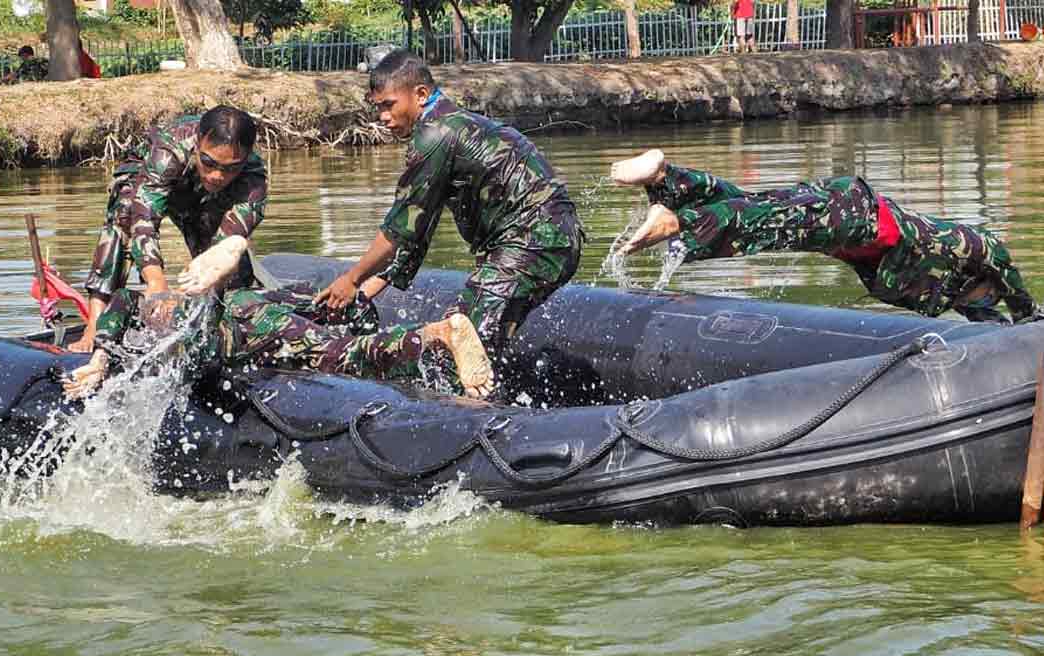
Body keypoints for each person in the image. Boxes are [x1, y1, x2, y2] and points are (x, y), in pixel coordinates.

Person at [314, 49, 584, 361]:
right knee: (482, 343)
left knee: (458, 343)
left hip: (531, 242)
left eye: (389, 105)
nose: (383, 117)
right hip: (553, 240)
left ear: (420, 94)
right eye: (378, 108)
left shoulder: (433, 136)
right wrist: (367, 289)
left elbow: (399, 228)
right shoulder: (453, 124)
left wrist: (350, 279)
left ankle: (471, 406)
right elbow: (417, 230)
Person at [610, 149, 1038, 324]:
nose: (982, 306)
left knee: (759, 209)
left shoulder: (951, 297)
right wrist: (1024, 312)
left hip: (841, 228)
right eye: (987, 299)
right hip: (860, 215)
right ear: (982, 282)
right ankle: (678, 224)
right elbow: (1013, 289)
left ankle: (667, 180)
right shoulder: (972, 250)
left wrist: (992, 318)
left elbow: (996, 338)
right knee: (768, 219)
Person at [63, 236, 494, 400]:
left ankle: (436, 333)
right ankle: (410, 344)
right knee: (336, 327)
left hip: (241, 327)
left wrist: (98, 360)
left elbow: (119, 302)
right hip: (255, 308)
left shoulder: (154, 310)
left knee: (338, 356)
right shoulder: (161, 305)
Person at [68, 105, 268, 353]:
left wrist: (204, 282)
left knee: (226, 264)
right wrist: (155, 281)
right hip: (146, 177)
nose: (217, 175)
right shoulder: (168, 151)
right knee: (126, 210)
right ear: (197, 144)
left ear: (245, 160)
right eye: (209, 163)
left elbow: (226, 245)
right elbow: (144, 219)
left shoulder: (253, 179)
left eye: (230, 168)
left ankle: (226, 328)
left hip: (203, 196)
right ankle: (96, 321)